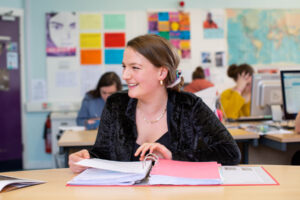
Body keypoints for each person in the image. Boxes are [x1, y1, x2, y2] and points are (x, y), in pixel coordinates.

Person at [69, 34, 241, 173]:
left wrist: (173, 156)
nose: (125, 75)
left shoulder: (189, 105)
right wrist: (87, 157)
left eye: (135, 68)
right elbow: (103, 153)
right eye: (124, 67)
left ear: (161, 72)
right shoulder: (116, 104)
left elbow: (230, 153)